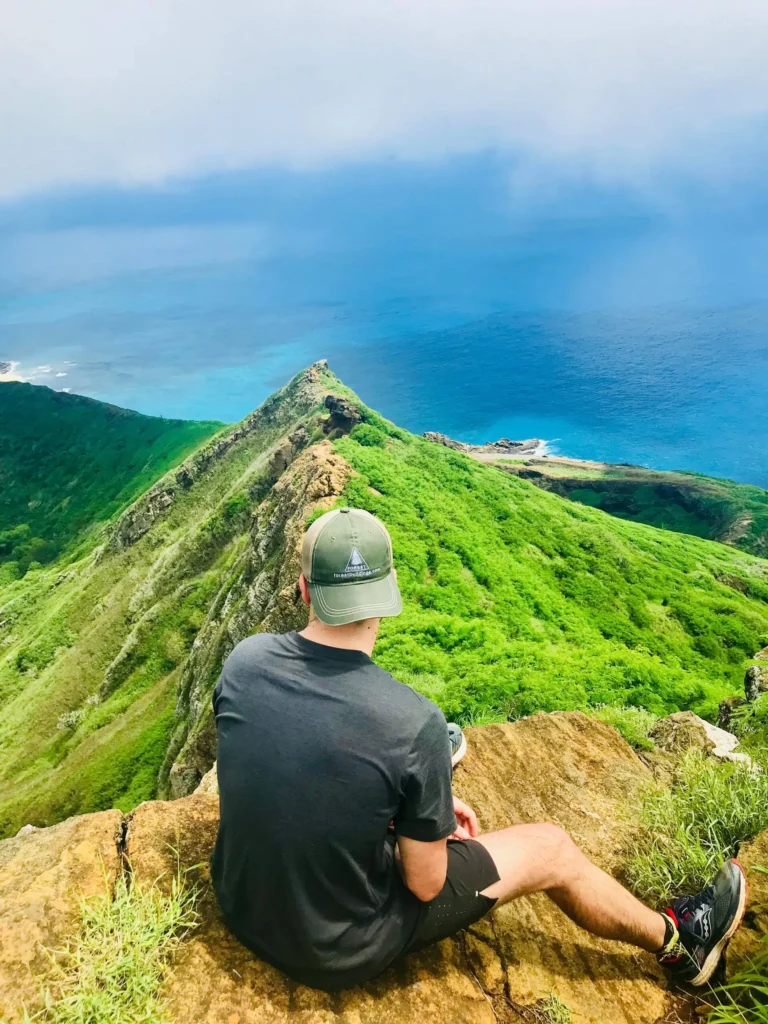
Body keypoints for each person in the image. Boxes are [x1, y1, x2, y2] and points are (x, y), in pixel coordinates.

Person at [211, 507, 746, 992]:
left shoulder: (244, 661)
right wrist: (425, 824)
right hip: (337, 948)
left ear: (305, 590)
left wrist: (409, 816)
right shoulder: (409, 721)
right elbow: (426, 885)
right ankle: (680, 943)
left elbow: (294, 755)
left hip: (241, 905)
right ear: (390, 591)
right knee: (551, 848)